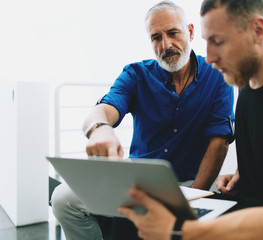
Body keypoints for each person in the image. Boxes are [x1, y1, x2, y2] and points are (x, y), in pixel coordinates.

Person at [118, 0, 263, 240]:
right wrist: (244, 175)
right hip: (251, 221)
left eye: (218, 42)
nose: (208, 57)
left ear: (258, 30)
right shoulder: (249, 85)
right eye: (207, 42)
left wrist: (185, 230)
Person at [51, 1, 234, 239]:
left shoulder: (218, 75)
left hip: (193, 180)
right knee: (62, 199)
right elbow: (102, 111)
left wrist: (193, 198)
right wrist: (100, 129)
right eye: (156, 37)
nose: (166, 45)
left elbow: (219, 142)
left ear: (189, 31)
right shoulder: (136, 74)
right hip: (139, 177)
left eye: (172, 33)